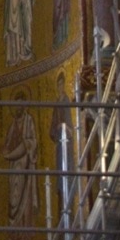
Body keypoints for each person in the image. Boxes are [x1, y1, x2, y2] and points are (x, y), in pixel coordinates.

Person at [2, 92, 39, 240]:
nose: (18, 107)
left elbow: (32, 141)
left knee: (26, 198)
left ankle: (26, 233)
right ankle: (14, 233)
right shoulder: (13, 124)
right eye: (16, 104)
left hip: (25, 166)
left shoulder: (29, 121)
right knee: (14, 199)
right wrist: (5, 150)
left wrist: (26, 146)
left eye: (21, 104)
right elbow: (8, 144)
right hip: (14, 168)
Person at [49, 73, 74, 215]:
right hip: (59, 146)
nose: (60, 87)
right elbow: (51, 129)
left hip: (68, 146)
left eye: (61, 84)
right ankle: (60, 214)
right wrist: (56, 128)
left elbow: (70, 126)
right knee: (59, 179)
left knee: (68, 176)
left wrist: (63, 126)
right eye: (58, 84)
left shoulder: (66, 101)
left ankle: (70, 213)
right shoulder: (56, 103)